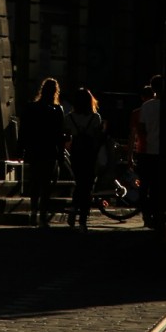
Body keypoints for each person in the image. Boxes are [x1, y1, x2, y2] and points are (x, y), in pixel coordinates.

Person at [20, 77, 67, 227]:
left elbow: (24, 130)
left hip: (35, 149)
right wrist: (61, 154)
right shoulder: (57, 110)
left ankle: (34, 211)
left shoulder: (31, 107)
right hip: (50, 150)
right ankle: (42, 215)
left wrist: (21, 149)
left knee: (35, 182)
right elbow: (60, 134)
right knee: (46, 185)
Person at [64, 87, 104, 230]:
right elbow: (98, 137)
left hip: (76, 152)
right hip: (90, 153)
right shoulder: (95, 117)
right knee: (87, 186)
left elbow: (67, 136)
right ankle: (82, 219)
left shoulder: (69, 118)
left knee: (79, 182)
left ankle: (74, 208)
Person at [135, 75, 163, 228]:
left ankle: (146, 214)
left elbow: (141, 128)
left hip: (147, 151)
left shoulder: (146, 106)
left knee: (145, 185)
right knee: (158, 186)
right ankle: (157, 213)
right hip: (162, 153)